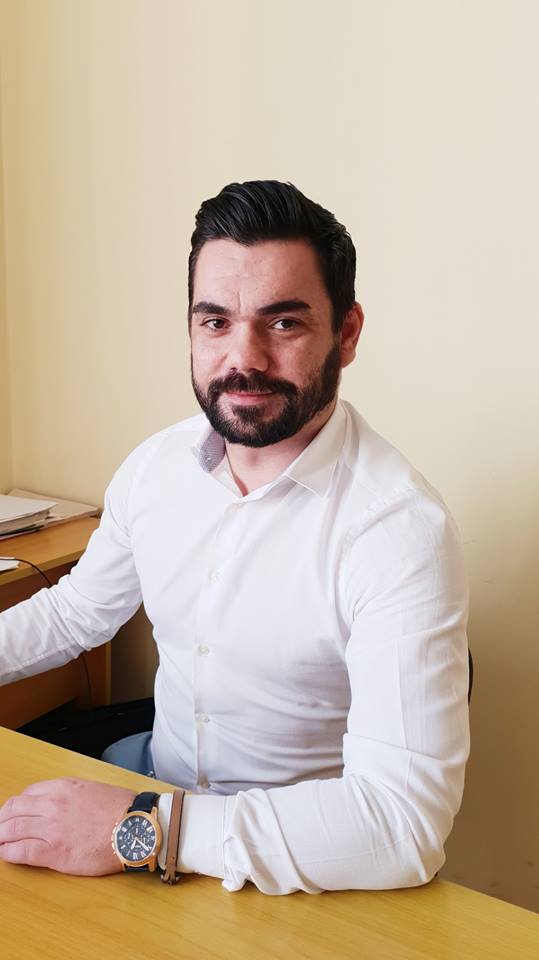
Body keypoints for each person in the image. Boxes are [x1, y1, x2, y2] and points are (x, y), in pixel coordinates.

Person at [0, 180, 470, 894]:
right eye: (215, 321)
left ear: (346, 334)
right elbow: (76, 614)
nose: (243, 358)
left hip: (298, 863)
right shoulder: (155, 468)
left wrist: (145, 825)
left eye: (283, 323)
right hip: (153, 782)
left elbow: (400, 825)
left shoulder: (397, 530)